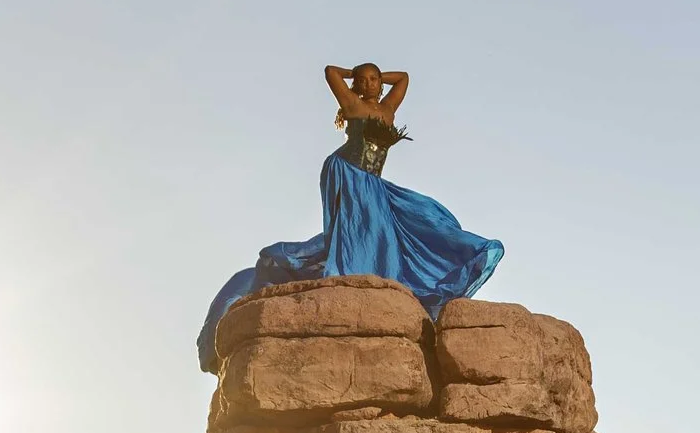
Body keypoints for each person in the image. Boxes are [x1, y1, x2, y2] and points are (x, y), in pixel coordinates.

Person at [196, 64, 504, 368]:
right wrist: (353, 76)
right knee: (360, 229)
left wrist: (377, 75)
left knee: (413, 217)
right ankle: (355, 268)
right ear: (356, 84)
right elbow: (330, 71)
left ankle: (378, 268)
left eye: (374, 79)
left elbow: (404, 78)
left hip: (371, 181)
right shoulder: (352, 104)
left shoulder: (388, 109)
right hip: (345, 172)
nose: (369, 84)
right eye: (363, 80)